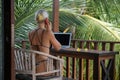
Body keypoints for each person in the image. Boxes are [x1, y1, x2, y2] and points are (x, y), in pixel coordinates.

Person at [28, 9, 61, 73]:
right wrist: (50, 30)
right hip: (44, 69)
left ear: (36, 19)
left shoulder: (30, 33)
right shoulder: (48, 33)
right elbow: (58, 47)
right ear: (46, 19)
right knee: (58, 66)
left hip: (32, 68)